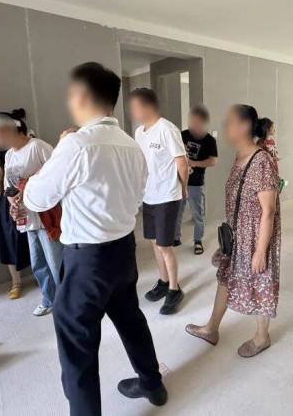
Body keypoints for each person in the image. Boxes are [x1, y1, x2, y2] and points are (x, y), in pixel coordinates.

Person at [21, 63, 167, 415]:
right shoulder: (131, 145)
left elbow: (36, 199)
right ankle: (152, 384)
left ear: (82, 97)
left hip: (87, 260)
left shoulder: (76, 145)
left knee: (77, 341)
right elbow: (138, 196)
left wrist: (60, 148)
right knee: (130, 319)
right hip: (123, 250)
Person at [185, 104, 281, 358]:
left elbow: (269, 211)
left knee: (261, 279)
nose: (225, 127)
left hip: (256, 235)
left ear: (245, 126)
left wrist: (260, 251)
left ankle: (262, 337)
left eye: (230, 123)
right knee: (226, 276)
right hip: (238, 234)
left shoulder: (261, 161)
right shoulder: (240, 156)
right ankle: (211, 329)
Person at [0, 109, 63, 316]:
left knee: (56, 263)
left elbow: (58, 176)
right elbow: (8, 186)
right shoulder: (9, 155)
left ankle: (66, 302)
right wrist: (12, 202)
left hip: (46, 217)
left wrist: (29, 186)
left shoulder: (38, 147)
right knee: (38, 263)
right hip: (27, 219)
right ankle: (49, 299)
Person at [129, 88, 189, 315]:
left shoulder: (167, 129)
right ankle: (163, 281)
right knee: (154, 242)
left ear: (148, 106)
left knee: (164, 245)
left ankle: (174, 288)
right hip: (149, 195)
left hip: (167, 195)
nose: (132, 112)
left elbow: (181, 163)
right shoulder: (139, 132)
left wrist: (183, 188)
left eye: (135, 107)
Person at [174, 104, 218, 255]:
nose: (193, 125)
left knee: (198, 213)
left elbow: (213, 161)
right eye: (192, 121)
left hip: (196, 183)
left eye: (197, 122)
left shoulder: (209, 141)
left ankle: (198, 240)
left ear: (204, 123)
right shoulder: (182, 135)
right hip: (179, 181)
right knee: (177, 211)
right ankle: (175, 237)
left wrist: (194, 163)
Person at [0, 143, 30, 299]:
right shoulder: (0, 156)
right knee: (9, 240)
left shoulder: (31, 148)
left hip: (30, 197)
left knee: (34, 237)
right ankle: (16, 282)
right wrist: (9, 201)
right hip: (9, 200)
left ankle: (43, 275)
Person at [257, 118, 286, 193]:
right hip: (266, 170)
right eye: (273, 127)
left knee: (277, 185)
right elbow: (259, 157)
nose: (274, 129)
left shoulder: (272, 141)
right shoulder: (261, 142)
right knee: (268, 188)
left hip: (274, 167)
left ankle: (275, 198)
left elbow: (274, 152)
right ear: (267, 129)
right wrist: (271, 158)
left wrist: (276, 157)